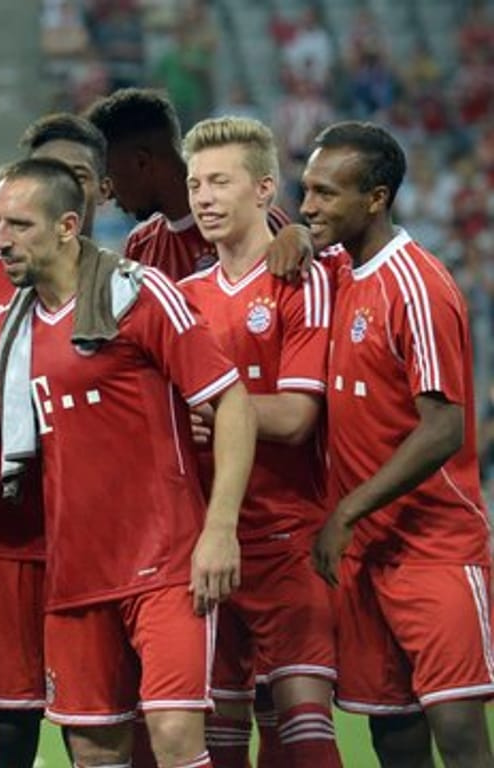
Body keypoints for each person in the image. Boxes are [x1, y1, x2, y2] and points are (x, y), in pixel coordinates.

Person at [0, 157, 257, 768]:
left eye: (19, 224)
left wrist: (220, 528)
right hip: (75, 575)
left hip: (163, 563)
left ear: (66, 226)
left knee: (175, 738)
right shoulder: (16, 331)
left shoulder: (136, 294)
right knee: (92, 748)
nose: (1, 238)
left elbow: (231, 403)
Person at [305, 121, 494, 767]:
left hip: (432, 545)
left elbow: (443, 428)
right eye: (307, 191)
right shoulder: (335, 272)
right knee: (392, 730)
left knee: (459, 732)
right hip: (362, 554)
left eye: (327, 194)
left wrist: (347, 511)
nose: (309, 208)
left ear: (376, 198)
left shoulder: (418, 286)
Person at [0, 112, 110, 768]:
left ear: (100, 191)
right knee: (8, 730)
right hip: (4, 537)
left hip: (98, 548)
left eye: (81, 178)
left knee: (95, 731)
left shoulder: (132, 284)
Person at [177, 116, 342, 767]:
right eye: (195, 184)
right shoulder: (180, 297)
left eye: (220, 181)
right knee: (216, 739)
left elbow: (300, 415)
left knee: (304, 729)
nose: (204, 198)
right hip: (200, 541)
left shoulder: (303, 280)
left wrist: (218, 415)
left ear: (265, 189)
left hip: (285, 537)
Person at [84, 87, 296, 281]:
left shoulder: (258, 220)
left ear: (141, 162)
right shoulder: (140, 245)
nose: (107, 194)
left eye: (108, 175)